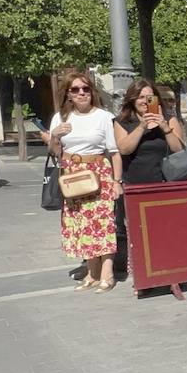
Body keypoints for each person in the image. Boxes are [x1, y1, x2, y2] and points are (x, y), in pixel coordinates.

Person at [47, 68, 123, 293]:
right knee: (81, 223)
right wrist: (55, 136)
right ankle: (92, 272)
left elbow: (115, 152)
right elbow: (54, 151)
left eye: (85, 89)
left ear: (92, 91)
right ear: (68, 94)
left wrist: (117, 181)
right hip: (71, 174)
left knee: (103, 223)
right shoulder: (60, 118)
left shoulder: (104, 117)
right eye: (75, 90)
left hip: (98, 171)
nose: (81, 93)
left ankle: (107, 273)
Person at [112, 78, 186, 277]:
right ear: (132, 99)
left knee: (166, 230)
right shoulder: (122, 122)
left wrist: (164, 127)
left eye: (149, 97)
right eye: (141, 97)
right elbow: (124, 148)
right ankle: (143, 275)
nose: (145, 101)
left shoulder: (168, 118)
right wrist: (142, 126)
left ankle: (169, 271)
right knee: (138, 233)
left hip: (164, 183)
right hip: (135, 185)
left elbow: (179, 149)